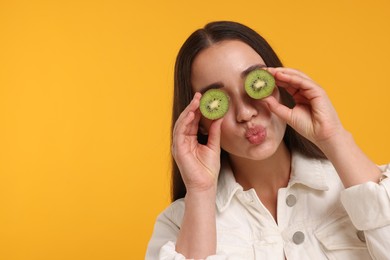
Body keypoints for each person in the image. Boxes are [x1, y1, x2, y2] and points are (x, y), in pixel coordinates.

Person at [145, 21, 390, 259]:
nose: (245, 113)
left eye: (255, 85)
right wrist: (200, 190)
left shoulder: (355, 185)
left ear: (281, 84)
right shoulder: (177, 226)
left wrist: (334, 137)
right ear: (199, 120)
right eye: (219, 102)